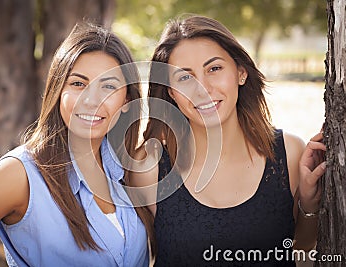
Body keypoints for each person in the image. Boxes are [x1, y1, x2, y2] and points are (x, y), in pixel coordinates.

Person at [0, 23, 155, 266]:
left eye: (108, 87)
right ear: (57, 91)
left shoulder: (129, 171)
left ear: (127, 99)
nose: (91, 100)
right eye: (78, 84)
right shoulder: (20, 175)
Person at [131, 15, 326, 266]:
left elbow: (301, 250)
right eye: (184, 78)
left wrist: (309, 205)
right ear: (171, 93)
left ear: (241, 72)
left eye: (214, 69)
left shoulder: (290, 154)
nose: (202, 88)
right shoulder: (148, 169)